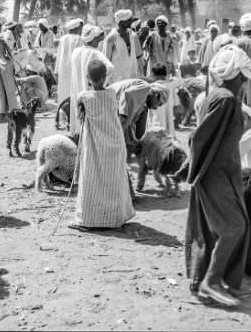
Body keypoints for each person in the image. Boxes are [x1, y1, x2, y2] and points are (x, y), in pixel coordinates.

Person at [182, 45, 251, 307]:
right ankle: (210, 281)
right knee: (234, 226)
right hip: (214, 174)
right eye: (244, 75)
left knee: (214, 229)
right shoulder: (226, 99)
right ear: (237, 75)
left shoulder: (222, 97)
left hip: (221, 171)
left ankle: (209, 280)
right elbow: (201, 136)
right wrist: (195, 168)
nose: (246, 80)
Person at [70, 59, 136, 231]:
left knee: (91, 180)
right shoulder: (112, 94)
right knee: (113, 180)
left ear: (87, 77)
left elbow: (80, 118)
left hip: (93, 145)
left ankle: (89, 219)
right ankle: (115, 218)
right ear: (106, 76)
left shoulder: (83, 97)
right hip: (114, 142)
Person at [69, 26, 113, 135]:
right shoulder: (96, 53)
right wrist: (102, 83)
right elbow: (110, 68)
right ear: (92, 38)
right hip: (91, 92)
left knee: (79, 119)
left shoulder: (76, 51)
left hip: (77, 91)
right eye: (98, 38)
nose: (100, 40)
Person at [104, 9, 143, 83]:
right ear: (122, 22)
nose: (132, 22)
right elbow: (106, 61)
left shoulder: (133, 36)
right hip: (117, 80)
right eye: (129, 20)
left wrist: (141, 75)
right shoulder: (111, 38)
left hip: (132, 77)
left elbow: (138, 57)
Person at [56, 18, 84, 105]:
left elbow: (59, 55)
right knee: (75, 91)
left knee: (64, 92)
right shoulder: (79, 39)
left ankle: (63, 111)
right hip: (75, 69)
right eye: (80, 28)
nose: (81, 30)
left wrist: (56, 70)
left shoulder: (62, 38)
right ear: (76, 28)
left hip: (63, 69)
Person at [146, 64, 177, 136]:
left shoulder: (152, 87)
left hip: (156, 118)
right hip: (169, 115)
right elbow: (175, 103)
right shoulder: (171, 85)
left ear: (153, 74)